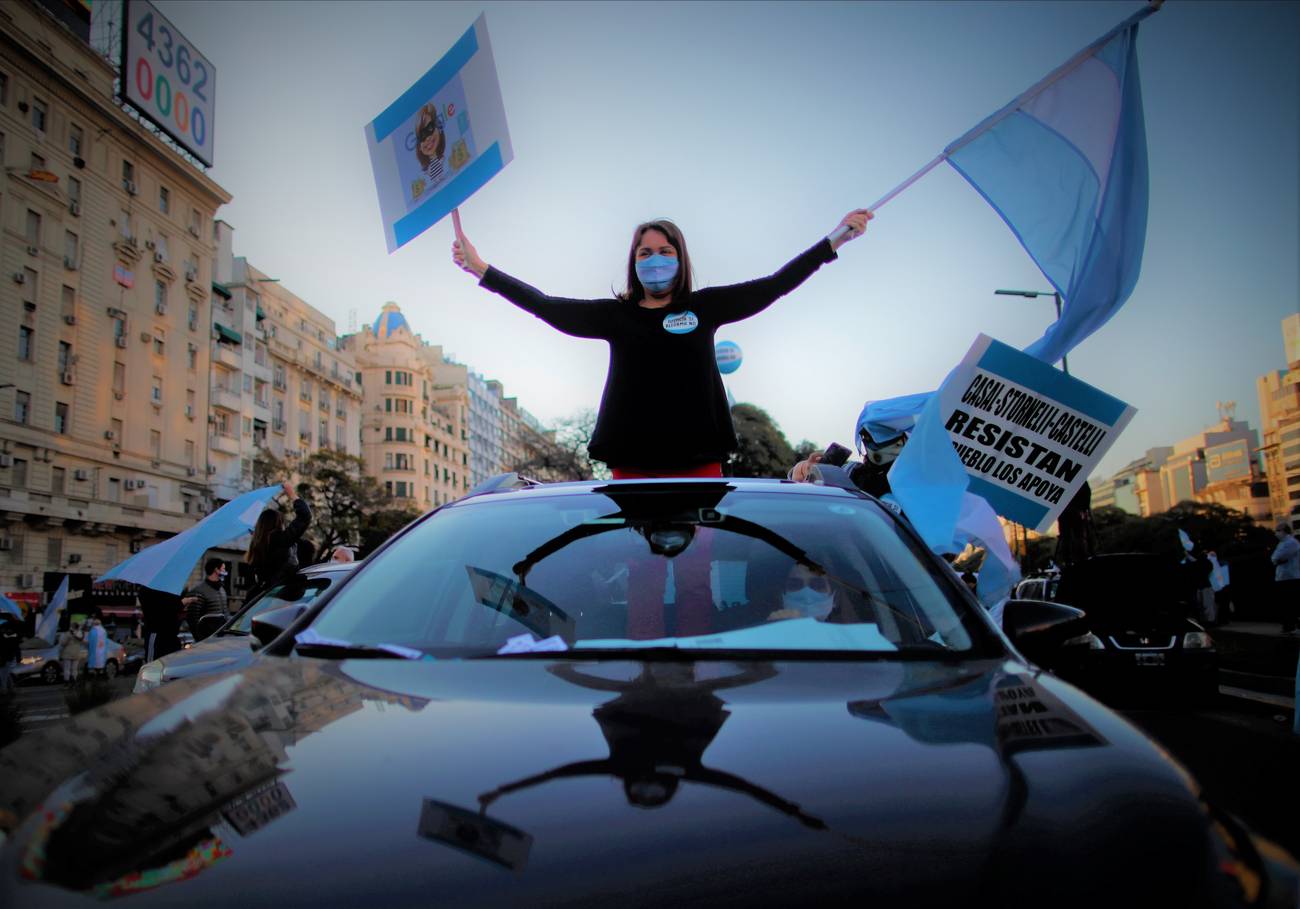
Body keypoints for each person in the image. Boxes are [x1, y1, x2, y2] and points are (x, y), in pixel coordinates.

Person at [453, 210, 871, 478]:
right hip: (631, 459)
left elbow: (775, 284)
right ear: (633, 261)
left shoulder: (705, 307)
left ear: (680, 258)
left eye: (665, 251)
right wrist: (481, 269)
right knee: (642, 570)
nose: (655, 259)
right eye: (645, 252)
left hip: (700, 457)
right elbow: (545, 305)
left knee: (697, 572)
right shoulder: (615, 315)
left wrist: (834, 240)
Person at [246, 481, 312, 597]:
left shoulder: (257, 546)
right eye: (282, 523)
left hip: (266, 597)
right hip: (284, 597)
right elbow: (305, 515)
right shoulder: (280, 540)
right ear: (278, 524)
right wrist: (291, 494)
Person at [183, 559, 230, 643]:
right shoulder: (198, 591)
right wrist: (200, 639)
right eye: (223, 568)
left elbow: (226, 614)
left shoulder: (222, 589)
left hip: (221, 639)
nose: (225, 571)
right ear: (216, 570)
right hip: (205, 641)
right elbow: (192, 619)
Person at [139, 586, 184, 662]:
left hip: (170, 636)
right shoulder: (148, 591)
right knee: (153, 665)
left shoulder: (168, 590)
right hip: (157, 635)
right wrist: (181, 603)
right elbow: (162, 609)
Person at [1270, 522, 1300, 633]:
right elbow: (1274, 558)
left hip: (1291, 577)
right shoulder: (1281, 543)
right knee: (1285, 604)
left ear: (1285, 531)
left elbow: (1279, 556)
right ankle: (1288, 626)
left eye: (1279, 530)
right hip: (1282, 577)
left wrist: (1276, 560)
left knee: (1291, 603)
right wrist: (1276, 560)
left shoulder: (1291, 542)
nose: (1277, 533)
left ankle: (1292, 626)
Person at [58, 622, 86, 686]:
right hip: (76, 653)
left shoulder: (68, 634)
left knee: (67, 668)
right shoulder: (80, 633)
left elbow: (63, 643)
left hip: (68, 653)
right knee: (74, 669)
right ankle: (74, 680)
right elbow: (82, 641)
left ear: (72, 627)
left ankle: (67, 682)